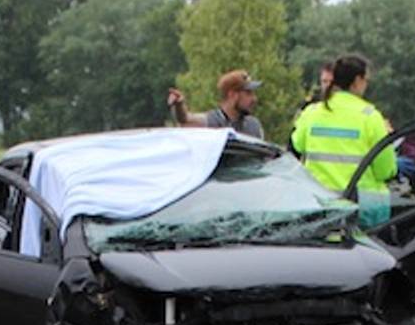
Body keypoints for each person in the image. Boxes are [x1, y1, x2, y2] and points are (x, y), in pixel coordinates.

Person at [290, 54, 397, 225]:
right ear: (356, 81)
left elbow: (296, 145)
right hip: (363, 212)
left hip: (319, 208)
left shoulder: (311, 113)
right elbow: (385, 170)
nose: (366, 85)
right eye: (365, 80)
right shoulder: (370, 117)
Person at [168, 69, 265, 139]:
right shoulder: (213, 121)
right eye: (248, 93)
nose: (254, 99)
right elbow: (185, 119)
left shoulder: (253, 126)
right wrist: (179, 105)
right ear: (232, 95)